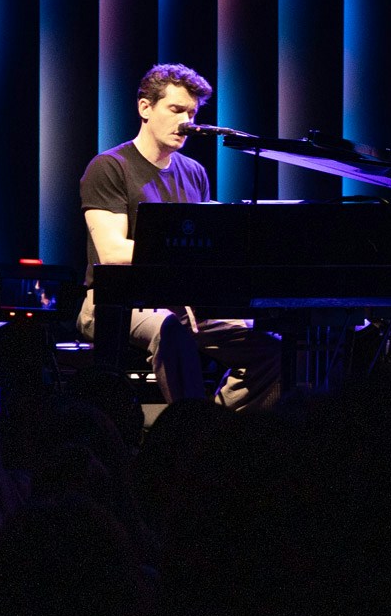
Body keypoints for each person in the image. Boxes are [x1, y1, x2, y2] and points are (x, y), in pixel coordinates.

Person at [76, 64, 279, 412]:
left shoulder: (195, 173)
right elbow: (111, 251)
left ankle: (212, 426)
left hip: (183, 303)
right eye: (176, 110)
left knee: (273, 351)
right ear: (145, 108)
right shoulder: (109, 167)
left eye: (191, 112)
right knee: (171, 330)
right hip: (115, 302)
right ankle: (192, 434)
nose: (187, 122)